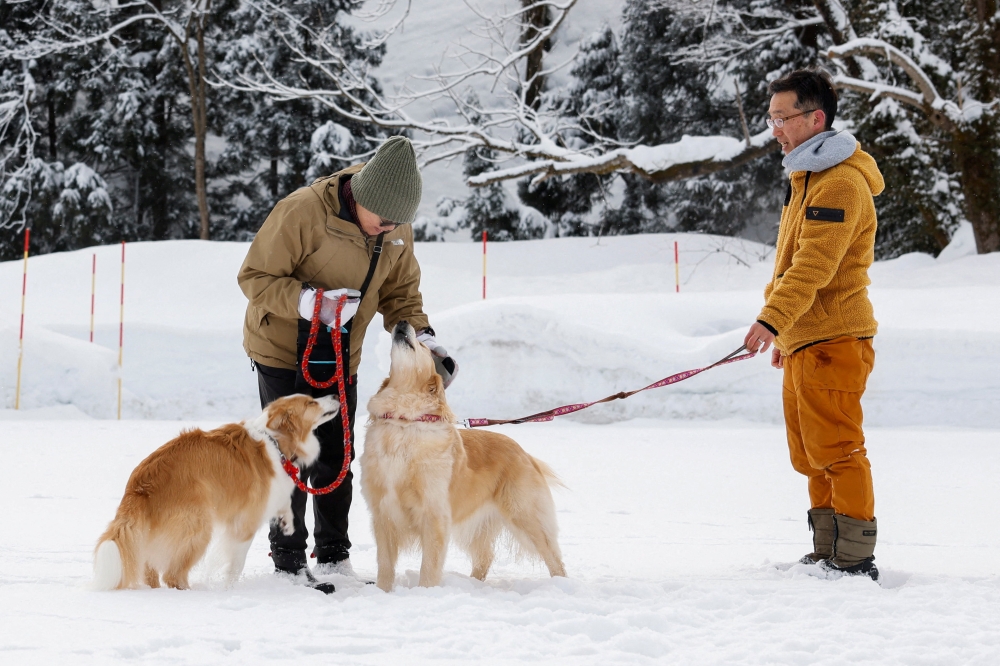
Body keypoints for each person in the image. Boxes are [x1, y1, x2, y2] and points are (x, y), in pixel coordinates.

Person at [237, 136, 458, 593]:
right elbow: (254, 277)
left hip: (340, 355)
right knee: (291, 456)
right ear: (360, 197)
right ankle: (289, 563)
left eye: (399, 223)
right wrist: (307, 303)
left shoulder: (393, 226)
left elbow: (401, 294)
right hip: (281, 349)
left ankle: (335, 556)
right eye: (384, 221)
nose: (390, 229)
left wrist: (424, 340)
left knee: (337, 457)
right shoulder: (301, 212)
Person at [742, 70, 883, 581]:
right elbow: (787, 262)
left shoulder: (840, 181)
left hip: (837, 336)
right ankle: (827, 552)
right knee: (809, 453)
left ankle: (855, 557)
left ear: (815, 118)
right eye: (771, 117)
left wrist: (772, 321)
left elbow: (814, 266)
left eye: (783, 118)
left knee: (839, 449)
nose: (775, 128)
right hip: (808, 338)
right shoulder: (806, 177)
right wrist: (789, 334)